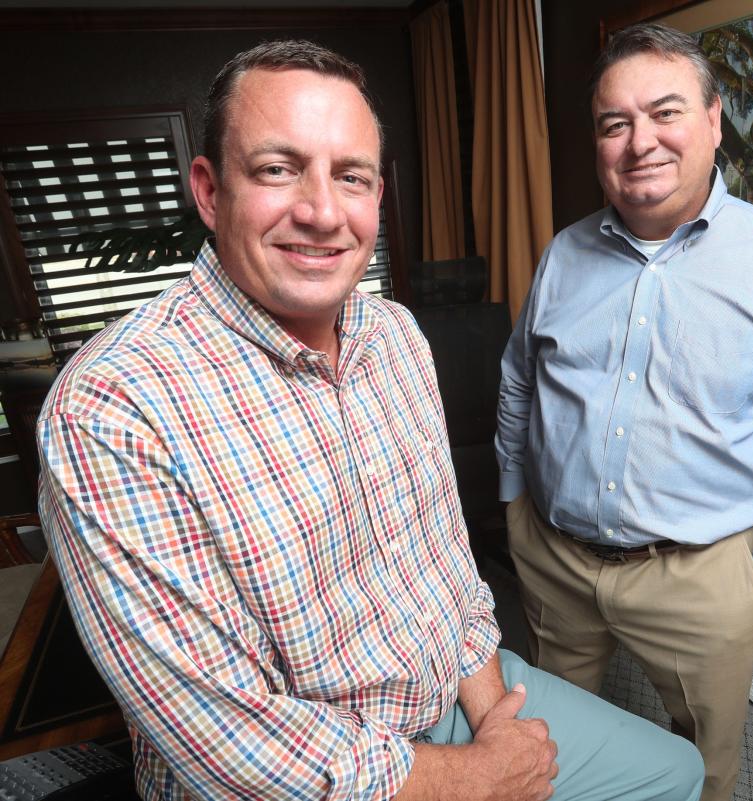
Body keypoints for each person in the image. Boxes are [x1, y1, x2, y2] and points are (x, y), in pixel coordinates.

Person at [37, 40, 704, 801]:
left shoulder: (395, 336)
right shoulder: (113, 408)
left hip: (450, 698)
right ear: (211, 190)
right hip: (304, 777)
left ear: (377, 196)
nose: (322, 212)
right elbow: (230, 744)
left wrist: (495, 724)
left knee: (676, 771)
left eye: (350, 176)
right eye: (277, 169)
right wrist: (477, 779)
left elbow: (445, 563)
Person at [496, 22, 753, 801]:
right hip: (554, 559)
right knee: (551, 746)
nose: (640, 143)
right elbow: (518, 383)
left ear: (712, 121)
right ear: (598, 142)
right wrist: (514, 503)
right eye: (614, 123)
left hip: (704, 582)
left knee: (703, 766)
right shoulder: (562, 253)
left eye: (665, 113)